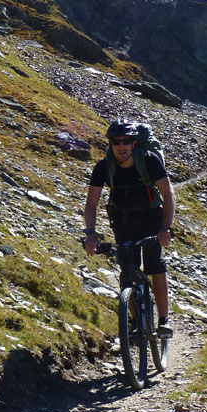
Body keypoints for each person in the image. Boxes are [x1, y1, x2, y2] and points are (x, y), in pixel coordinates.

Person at [83, 119, 175, 335]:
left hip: (151, 218)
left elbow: (168, 194)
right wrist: (90, 233)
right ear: (110, 144)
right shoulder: (104, 167)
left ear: (134, 143)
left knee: (155, 265)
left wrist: (165, 228)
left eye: (126, 141)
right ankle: (136, 324)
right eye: (116, 142)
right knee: (127, 272)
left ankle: (163, 321)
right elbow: (91, 204)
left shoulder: (149, 160)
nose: (121, 146)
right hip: (122, 221)